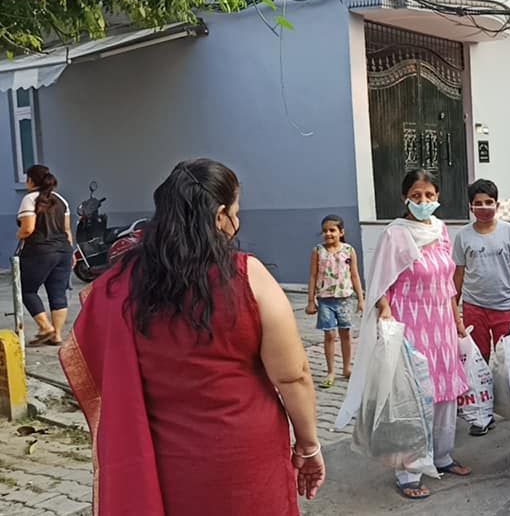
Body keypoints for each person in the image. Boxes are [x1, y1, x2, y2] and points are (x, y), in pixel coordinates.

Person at [60, 159, 325, 514]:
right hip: (244, 454)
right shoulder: (248, 277)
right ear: (219, 216)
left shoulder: (120, 283)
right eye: (236, 210)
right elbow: (294, 375)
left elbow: (90, 353)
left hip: (162, 459)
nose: (238, 219)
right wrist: (308, 446)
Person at [336, 168, 471, 500]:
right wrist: (383, 310)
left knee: (444, 392)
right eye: (416, 196)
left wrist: (456, 322)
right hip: (409, 321)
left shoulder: (441, 230)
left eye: (429, 195)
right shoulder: (395, 234)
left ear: (438, 197)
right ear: (404, 198)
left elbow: (448, 283)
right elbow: (380, 279)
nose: (423, 202)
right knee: (413, 396)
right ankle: (408, 471)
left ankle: (442, 456)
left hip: (440, 321)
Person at [453, 178, 510, 436]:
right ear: (470, 207)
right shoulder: (463, 236)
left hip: (505, 307)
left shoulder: (509, 231)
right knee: (478, 360)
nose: (484, 207)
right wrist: (455, 308)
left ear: (497, 204)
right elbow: (459, 275)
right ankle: (481, 414)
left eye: (488, 202)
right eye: (478, 203)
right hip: (474, 308)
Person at [17, 165, 74, 346]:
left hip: (39, 252)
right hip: (63, 251)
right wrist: (70, 252)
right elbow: (67, 230)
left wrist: (19, 235)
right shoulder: (61, 200)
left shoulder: (29, 199)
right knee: (58, 293)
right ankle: (56, 335)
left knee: (26, 290)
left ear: (32, 181)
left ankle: (45, 328)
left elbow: (27, 229)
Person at [306, 214, 365, 389]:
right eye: (325, 231)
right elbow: (313, 276)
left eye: (332, 230)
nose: (328, 234)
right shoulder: (318, 251)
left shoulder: (348, 250)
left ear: (341, 232)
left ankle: (347, 368)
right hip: (325, 300)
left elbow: (354, 275)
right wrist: (311, 300)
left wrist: (361, 299)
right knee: (329, 335)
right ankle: (331, 371)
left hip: (345, 299)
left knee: (345, 334)